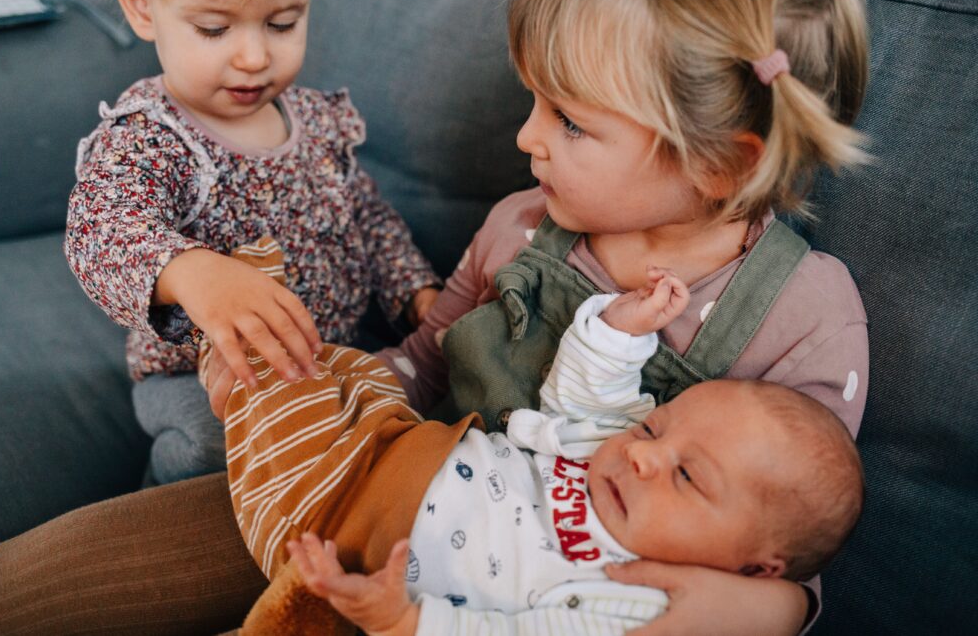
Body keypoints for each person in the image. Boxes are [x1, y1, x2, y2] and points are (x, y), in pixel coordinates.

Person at [0, 0, 870, 633]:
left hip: (512, 604)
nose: (526, 138)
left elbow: (800, 524)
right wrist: (292, 392)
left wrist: (773, 607)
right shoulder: (521, 223)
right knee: (31, 587)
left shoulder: (801, 313)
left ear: (717, 161)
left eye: (569, 120)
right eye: (533, 103)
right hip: (354, 482)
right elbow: (422, 364)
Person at [203, 242, 862, 635]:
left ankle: (240, 330)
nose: (642, 451)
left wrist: (407, 622)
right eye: (655, 425)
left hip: (352, 533)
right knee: (342, 370)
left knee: (282, 386)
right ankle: (246, 330)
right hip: (396, 437)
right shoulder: (611, 450)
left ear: (754, 564)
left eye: (687, 476)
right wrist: (619, 330)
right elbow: (590, 392)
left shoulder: (636, 600)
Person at [64, 0, 440, 485]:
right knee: (213, 447)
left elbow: (369, 217)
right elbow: (99, 229)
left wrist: (415, 292)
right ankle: (168, 521)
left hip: (326, 356)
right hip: (198, 378)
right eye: (215, 29)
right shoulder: (149, 135)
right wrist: (190, 270)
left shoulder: (314, 118)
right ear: (141, 6)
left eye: (282, 22)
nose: (254, 56)